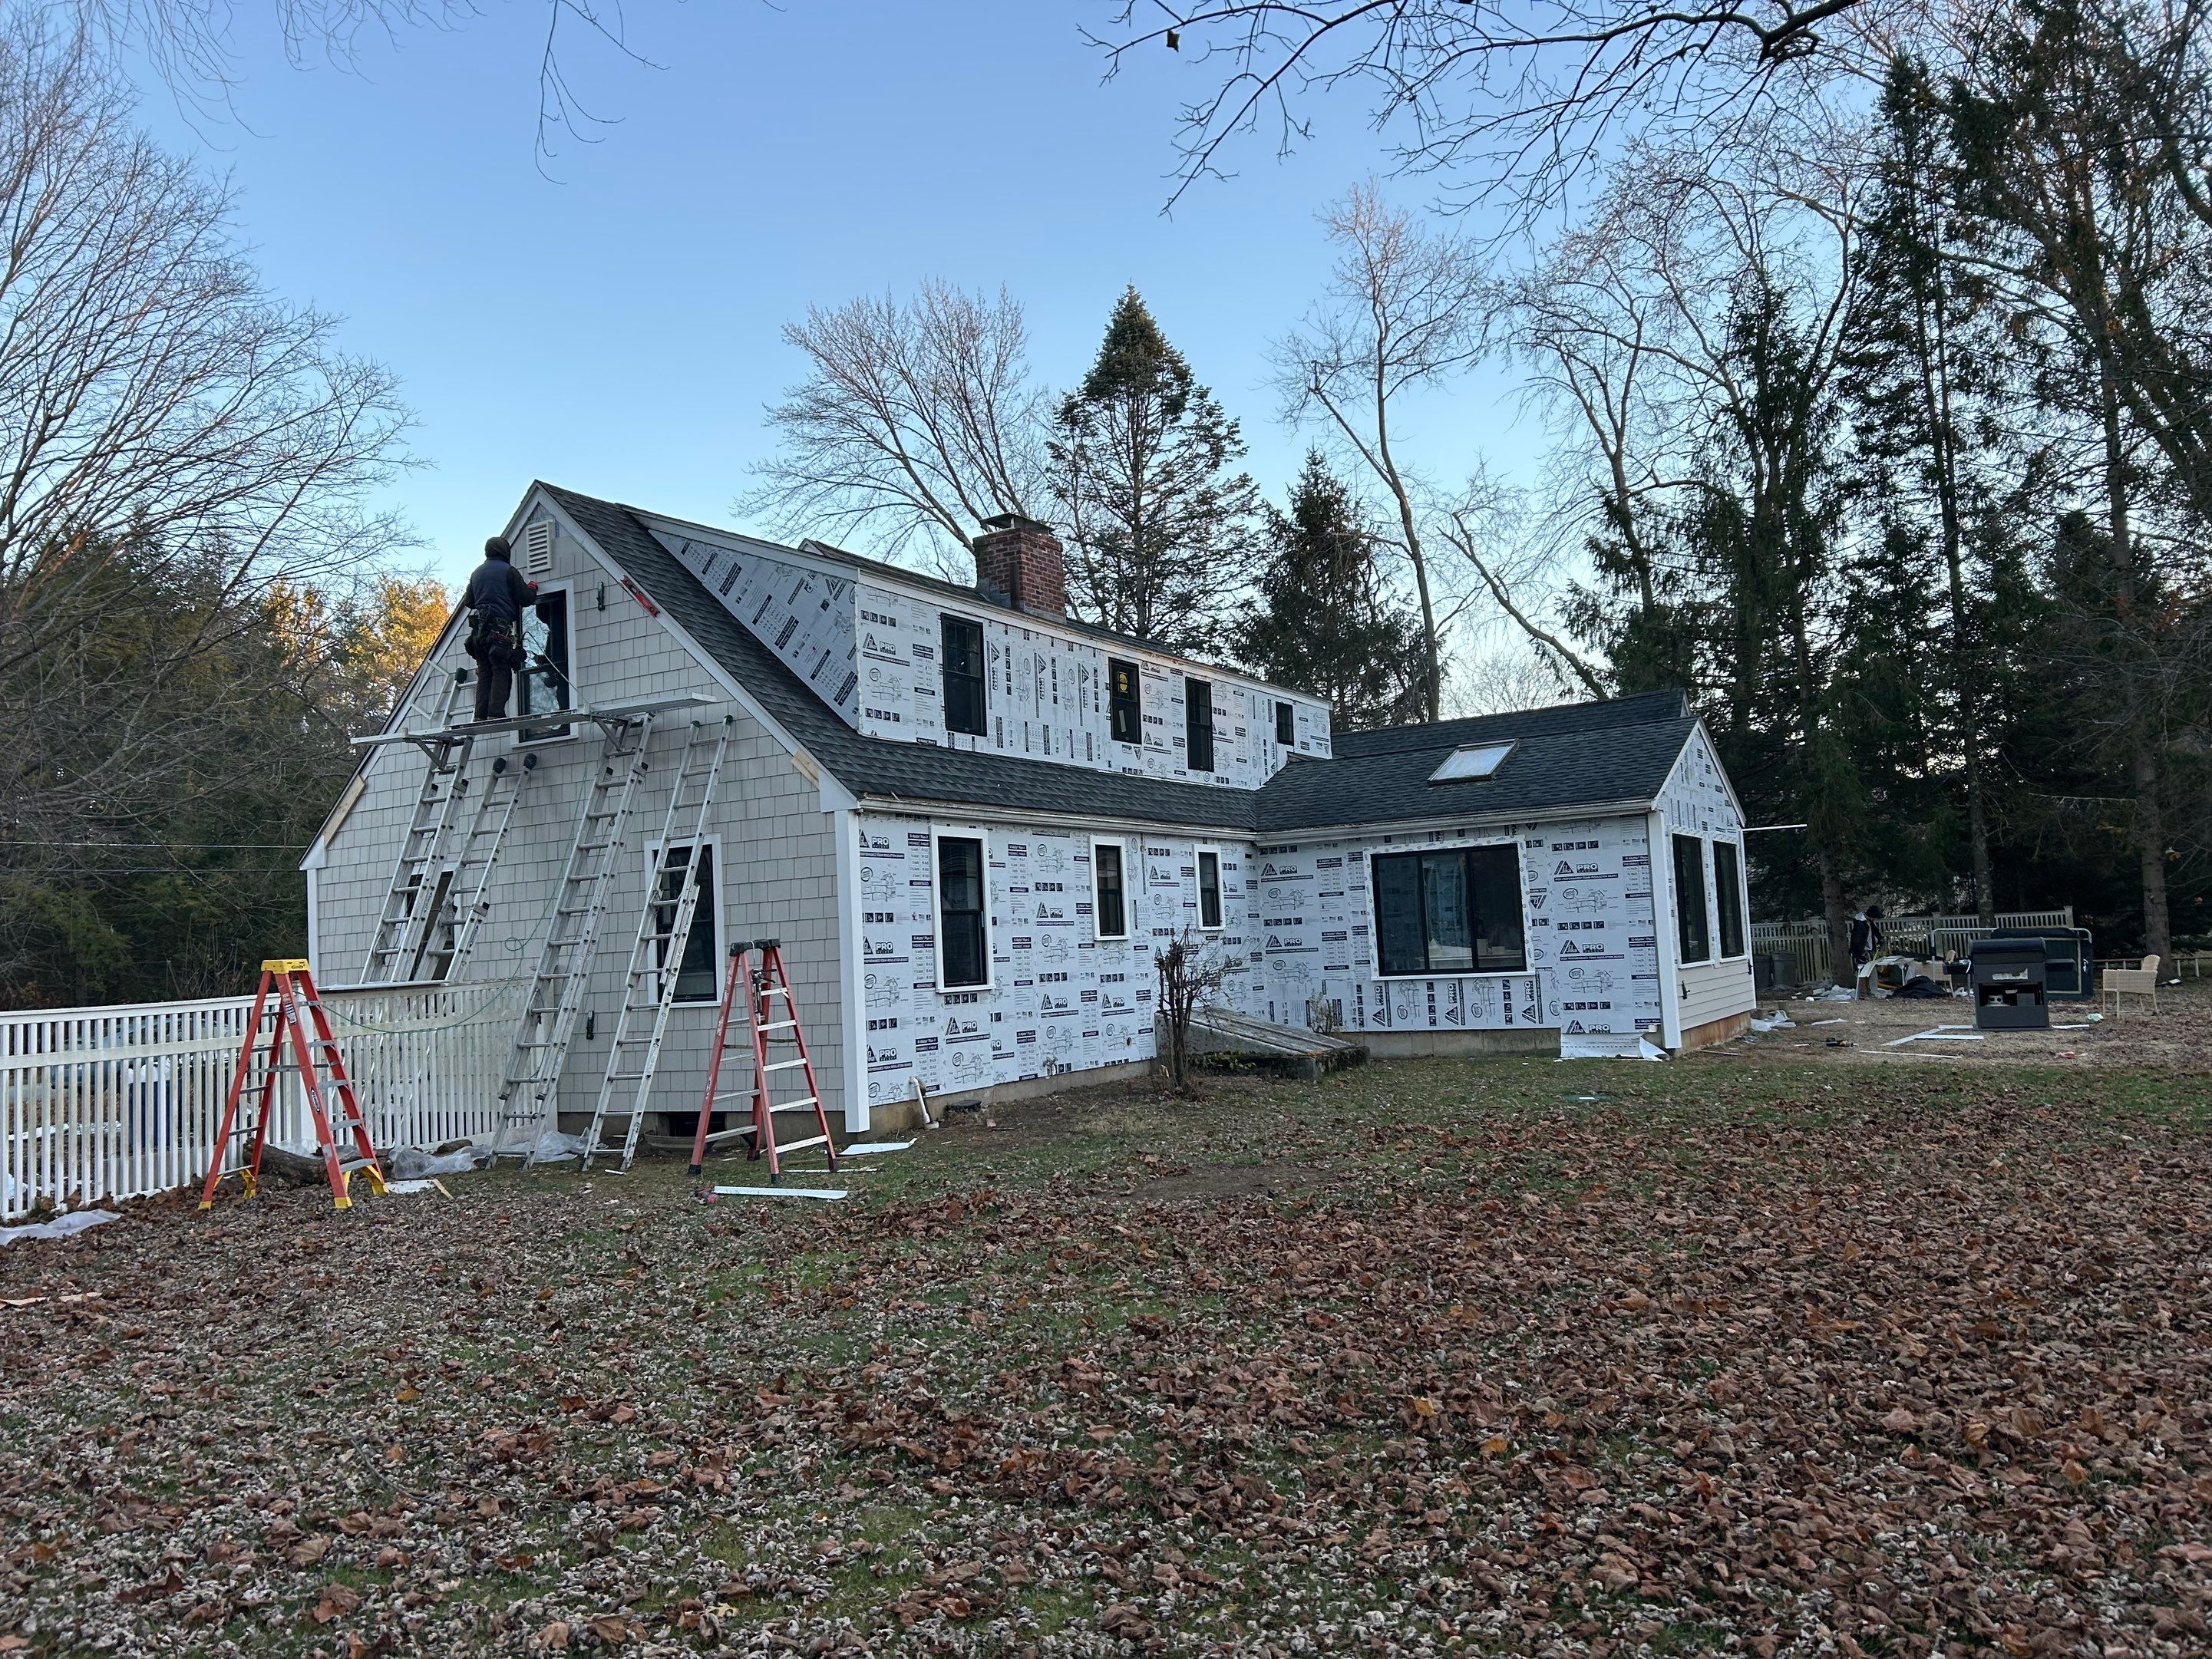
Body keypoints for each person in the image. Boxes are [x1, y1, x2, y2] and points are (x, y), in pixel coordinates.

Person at [463, 535, 538, 721]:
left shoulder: (477, 573)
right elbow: (525, 598)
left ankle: (480, 715)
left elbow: (469, 601)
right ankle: (496, 711)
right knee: (501, 669)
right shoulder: (508, 572)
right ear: (505, 551)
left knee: (485, 672)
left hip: (478, 632)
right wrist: (532, 588)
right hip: (498, 630)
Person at [1849, 905, 1885, 971]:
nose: (1874, 919)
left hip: (1868, 950)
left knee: (1871, 970)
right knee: (1864, 972)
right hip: (1861, 952)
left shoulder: (1869, 922)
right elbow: (1857, 940)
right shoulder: (1860, 924)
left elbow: (1875, 931)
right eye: (1874, 917)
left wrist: (1880, 939)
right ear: (1871, 916)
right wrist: (1861, 954)